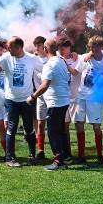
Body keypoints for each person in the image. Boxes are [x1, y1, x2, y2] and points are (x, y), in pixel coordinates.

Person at [0, 36, 44, 167]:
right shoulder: (7, 57)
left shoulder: (32, 59)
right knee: (11, 128)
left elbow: (44, 70)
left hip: (27, 100)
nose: (7, 49)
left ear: (18, 48)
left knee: (29, 128)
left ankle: (32, 155)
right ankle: (10, 158)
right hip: (11, 100)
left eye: (10, 47)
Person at [28, 37, 72, 170]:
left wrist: (33, 96)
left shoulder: (50, 64)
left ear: (46, 49)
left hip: (55, 102)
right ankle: (65, 157)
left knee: (53, 132)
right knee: (60, 131)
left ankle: (58, 161)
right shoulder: (61, 61)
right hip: (63, 101)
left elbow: (45, 85)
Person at [74, 36, 103, 163]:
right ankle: (81, 155)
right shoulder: (84, 57)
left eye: (96, 46)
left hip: (95, 97)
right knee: (78, 124)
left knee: (96, 127)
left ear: (101, 47)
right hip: (81, 96)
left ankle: (99, 154)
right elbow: (76, 71)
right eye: (91, 47)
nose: (93, 49)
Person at [32, 36, 49, 159]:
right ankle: (41, 150)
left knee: (55, 124)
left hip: (53, 95)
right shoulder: (33, 59)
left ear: (45, 45)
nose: (37, 47)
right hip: (40, 96)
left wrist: (74, 54)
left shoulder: (52, 57)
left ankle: (59, 151)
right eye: (36, 45)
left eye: (39, 45)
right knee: (41, 123)